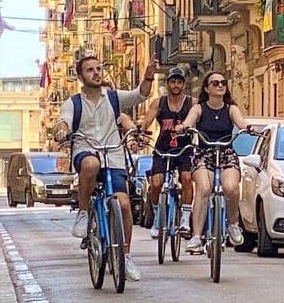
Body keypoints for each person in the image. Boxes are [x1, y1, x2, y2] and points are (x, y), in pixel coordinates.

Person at [54, 56, 158, 282]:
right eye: (90, 70)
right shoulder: (73, 103)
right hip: (86, 150)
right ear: (81, 77)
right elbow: (64, 120)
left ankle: (125, 256)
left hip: (113, 155)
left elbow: (140, 94)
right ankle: (83, 213)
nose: (96, 73)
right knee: (91, 164)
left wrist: (149, 74)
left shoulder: (113, 98)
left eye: (98, 68)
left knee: (123, 204)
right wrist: (62, 130)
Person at [175, 71, 251, 253]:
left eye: (223, 82)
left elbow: (241, 123)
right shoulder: (199, 108)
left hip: (226, 153)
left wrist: (247, 128)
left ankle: (233, 225)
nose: (220, 86)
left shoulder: (230, 108)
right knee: (203, 188)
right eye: (215, 83)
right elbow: (189, 121)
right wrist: (183, 127)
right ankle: (196, 236)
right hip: (204, 153)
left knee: (231, 188)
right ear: (207, 88)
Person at [139, 67, 197, 239]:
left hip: (185, 148)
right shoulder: (159, 103)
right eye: (173, 81)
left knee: (187, 178)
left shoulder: (192, 103)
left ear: (184, 84)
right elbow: (147, 121)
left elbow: (198, 120)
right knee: (156, 183)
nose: (176, 85)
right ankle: (158, 216)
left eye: (179, 82)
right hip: (162, 148)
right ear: (168, 83)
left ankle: (185, 220)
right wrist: (141, 133)